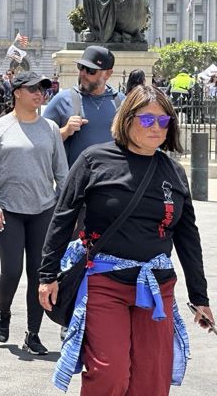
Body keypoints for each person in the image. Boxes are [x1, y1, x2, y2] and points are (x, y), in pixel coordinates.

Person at [38, 86, 213, 394]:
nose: (156, 128)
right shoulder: (94, 160)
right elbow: (63, 218)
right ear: (128, 119)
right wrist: (47, 275)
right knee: (110, 372)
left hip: (156, 287)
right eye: (147, 120)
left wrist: (200, 298)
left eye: (164, 121)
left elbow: (188, 236)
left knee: (151, 379)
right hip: (105, 283)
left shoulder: (172, 171)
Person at [0, 72, 68, 356]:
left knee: (39, 274)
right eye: (32, 89)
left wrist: (64, 208)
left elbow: (62, 173)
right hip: (8, 211)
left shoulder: (51, 128)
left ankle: (33, 333)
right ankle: (3, 313)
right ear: (17, 92)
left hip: (43, 210)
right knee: (12, 271)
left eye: (43, 89)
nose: (39, 94)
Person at [43, 45, 124, 168]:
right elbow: (41, 140)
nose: (83, 74)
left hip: (113, 181)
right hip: (76, 183)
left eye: (91, 70)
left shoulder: (122, 102)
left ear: (107, 74)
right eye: (81, 67)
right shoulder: (62, 100)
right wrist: (65, 131)